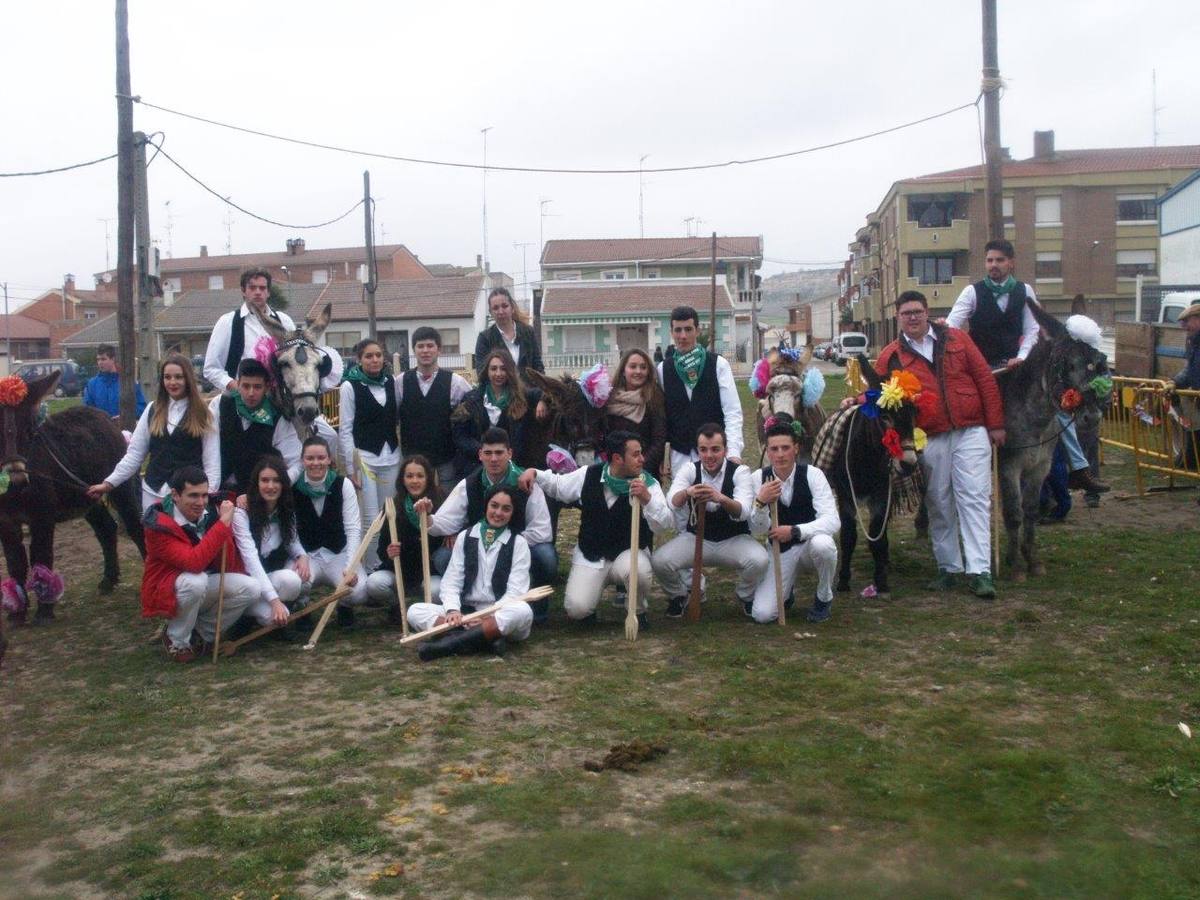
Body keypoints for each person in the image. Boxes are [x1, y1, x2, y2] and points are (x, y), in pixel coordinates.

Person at [947, 239, 1108, 494]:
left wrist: (1021, 357)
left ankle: (1078, 468)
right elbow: (953, 328)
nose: (994, 265)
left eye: (999, 260)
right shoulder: (972, 292)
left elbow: (1033, 329)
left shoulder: (1025, 291)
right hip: (983, 368)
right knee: (965, 411)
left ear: (1011, 262)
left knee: (1059, 406)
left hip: (1019, 366)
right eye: (989, 260)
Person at [877, 291, 1004, 599]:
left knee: (974, 497)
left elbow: (984, 378)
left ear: (927, 312)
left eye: (917, 311)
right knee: (938, 501)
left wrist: (996, 423)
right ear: (898, 317)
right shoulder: (892, 355)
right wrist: (855, 400)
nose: (912, 317)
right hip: (928, 435)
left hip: (970, 429)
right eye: (906, 313)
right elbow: (874, 391)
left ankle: (979, 571)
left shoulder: (958, 339)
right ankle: (949, 567)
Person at [519, 430, 673, 628]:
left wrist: (647, 500)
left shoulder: (648, 484)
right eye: (636, 454)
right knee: (577, 609)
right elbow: (559, 486)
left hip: (627, 554)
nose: (642, 459)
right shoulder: (590, 474)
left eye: (641, 453)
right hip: (592, 554)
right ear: (617, 458)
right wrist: (534, 472)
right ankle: (589, 607)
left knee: (639, 571)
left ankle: (637, 611)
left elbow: (664, 524)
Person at [416, 426, 557, 613]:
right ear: (480, 455)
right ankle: (470, 601)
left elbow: (542, 531)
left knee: (546, 556)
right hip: (481, 548)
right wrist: (427, 517)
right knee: (444, 557)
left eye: (499, 453)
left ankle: (536, 605)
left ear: (510, 453)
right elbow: (446, 521)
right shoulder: (469, 484)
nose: (494, 459)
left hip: (518, 547)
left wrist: (507, 544)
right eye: (488, 453)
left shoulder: (526, 483)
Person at [141, 465, 259, 662]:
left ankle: (200, 633)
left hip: (202, 581)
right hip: (167, 589)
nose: (200, 502)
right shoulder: (158, 524)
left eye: (204, 495)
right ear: (175, 495)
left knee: (251, 588)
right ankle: (176, 640)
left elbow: (225, 560)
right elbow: (193, 562)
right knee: (196, 580)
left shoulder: (212, 510)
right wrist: (222, 526)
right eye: (193, 496)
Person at [407, 484, 534, 661]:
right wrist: (452, 610)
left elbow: (516, 591)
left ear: (513, 513)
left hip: (498, 614)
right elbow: (452, 580)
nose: (498, 513)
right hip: (465, 614)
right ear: (486, 506)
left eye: (506, 509)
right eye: (494, 505)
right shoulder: (465, 536)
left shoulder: (518, 543)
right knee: (415, 611)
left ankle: (447, 645)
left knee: (522, 611)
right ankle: (486, 640)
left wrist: (488, 617)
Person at [652, 423, 767, 617]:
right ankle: (680, 596)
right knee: (660, 561)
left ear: (725, 450)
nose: (709, 456)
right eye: (703, 450)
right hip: (696, 538)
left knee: (760, 560)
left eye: (715, 449)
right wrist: (688, 492)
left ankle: (745, 595)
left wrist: (720, 498)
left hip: (733, 539)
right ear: (698, 451)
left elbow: (744, 511)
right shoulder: (690, 469)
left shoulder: (740, 472)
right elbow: (672, 501)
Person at [89, 354, 218, 512]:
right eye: (167, 377)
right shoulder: (152, 410)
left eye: (178, 377)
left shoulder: (204, 414)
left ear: (188, 379)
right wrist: (108, 483)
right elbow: (135, 455)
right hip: (153, 492)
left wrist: (207, 499)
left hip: (190, 498)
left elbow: (212, 463)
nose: (172, 382)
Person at [747, 413, 840, 623]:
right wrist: (760, 503)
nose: (780, 454)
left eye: (785, 448)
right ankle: (786, 593)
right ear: (767, 451)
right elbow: (757, 530)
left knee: (824, 544)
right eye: (774, 449)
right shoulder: (757, 479)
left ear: (796, 448)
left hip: (810, 546)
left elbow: (833, 521)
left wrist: (796, 530)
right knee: (762, 615)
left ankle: (824, 596)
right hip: (780, 551)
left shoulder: (813, 474)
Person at [203, 267, 343, 395]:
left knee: (319, 423)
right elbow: (211, 368)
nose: (258, 292)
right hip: (238, 403)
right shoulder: (227, 322)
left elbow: (298, 360)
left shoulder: (284, 320)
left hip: (278, 403)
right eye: (252, 287)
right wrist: (237, 387)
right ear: (243, 290)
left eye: (262, 288)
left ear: (268, 292)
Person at [657, 305, 744, 477]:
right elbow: (662, 418)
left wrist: (733, 451)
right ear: (671, 332)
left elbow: (732, 411)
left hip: (715, 454)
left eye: (688, 329)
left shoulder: (718, 365)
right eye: (678, 330)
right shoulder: (662, 369)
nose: (683, 336)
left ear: (697, 330)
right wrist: (662, 457)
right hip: (680, 456)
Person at [292, 436, 368, 625]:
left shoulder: (343, 485)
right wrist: (301, 556)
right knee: (293, 582)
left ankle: (345, 605)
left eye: (320, 458)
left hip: (338, 553)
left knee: (359, 591)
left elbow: (352, 529)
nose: (315, 463)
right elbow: (290, 531)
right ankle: (302, 607)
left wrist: (350, 567)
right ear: (303, 460)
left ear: (328, 459)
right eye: (310, 458)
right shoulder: (293, 488)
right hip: (309, 555)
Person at [231, 457, 311, 635]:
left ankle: (276, 615)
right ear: (256, 483)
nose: (270, 486)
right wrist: (275, 601)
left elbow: (292, 541)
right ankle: (245, 616)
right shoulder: (242, 513)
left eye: (276, 480)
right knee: (270, 614)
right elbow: (250, 559)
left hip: (268, 580)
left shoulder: (285, 510)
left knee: (292, 579)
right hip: (246, 583)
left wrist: (302, 556)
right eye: (265, 480)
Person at [339, 338, 400, 567]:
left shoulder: (392, 382)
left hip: (391, 456)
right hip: (365, 458)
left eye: (378, 355)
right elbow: (345, 429)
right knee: (370, 517)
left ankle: (388, 565)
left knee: (389, 514)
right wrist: (350, 468)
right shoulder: (350, 386)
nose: (374, 360)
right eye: (368, 356)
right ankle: (371, 567)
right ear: (359, 359)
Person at [365, 454, 444, 625]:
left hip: (429, 572)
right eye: (409, 476)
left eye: (420, 476)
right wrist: (388, 552)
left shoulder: (440, 501)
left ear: (428, 478)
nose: (414, 481)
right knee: (374, 584)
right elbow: (382, 547)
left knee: (437, 591)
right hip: (400, 571)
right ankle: (397, 606)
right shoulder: (393, 505)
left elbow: (445, 537)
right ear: (402, 479)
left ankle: (423, 611)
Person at [209, 358, 302, 493]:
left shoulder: (277, 415)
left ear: (267, 387)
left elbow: (296, 462)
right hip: (223, 491)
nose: (251, 393)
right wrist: (212, 489)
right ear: (238, 384)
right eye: (246, 386)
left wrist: (273, 488)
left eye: (257, 387)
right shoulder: (220, 405)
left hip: (262, 497)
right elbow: (210, 451)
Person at [452, 349, 545, 478]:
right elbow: (460, 436)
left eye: (503, 369)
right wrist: (485, 453)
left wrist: (543, 401)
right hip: (475, 467)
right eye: (493, 369)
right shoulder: (471, 399)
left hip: (513, 469)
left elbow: (545, 392)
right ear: (487, 371)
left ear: (510, 371)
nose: (498, 373)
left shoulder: (522, 397)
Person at [398, 326, 472, 488]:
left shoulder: (456, 382)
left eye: (430, 346)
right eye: (420, 346)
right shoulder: (401, 381)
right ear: (414, 350)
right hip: (413, 459)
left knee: (448, 504)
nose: (425, 351)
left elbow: (473, 407)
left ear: (439, 350)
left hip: (446, 458)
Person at [604, 348, 668, 481]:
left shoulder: (654, 397)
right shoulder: (609, 398)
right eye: (633, 367)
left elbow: (659, 439)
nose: (638, 371)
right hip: (614, 473)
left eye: (643, 367)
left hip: (644, 473)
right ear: (623, 370)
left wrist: (639, 468)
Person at [473, 286, 543, 380]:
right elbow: (482, 374)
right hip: (500, 394)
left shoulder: (528, 332)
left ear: (512, 308)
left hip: (530, 393)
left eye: (505, 306)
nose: (501, 311)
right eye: (496, 308)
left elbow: (538, 367)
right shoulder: (485, 339)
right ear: (491, 312)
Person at [82, 343, 145, 419]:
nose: (100, 363)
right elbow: (87, 410)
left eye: (103, 359)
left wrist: (124, 417)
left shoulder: (127, 382)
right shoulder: (92, 385)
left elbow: (141, 407)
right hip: (101, 428)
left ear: (113, 359)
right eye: (98, 359)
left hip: (124, 428)